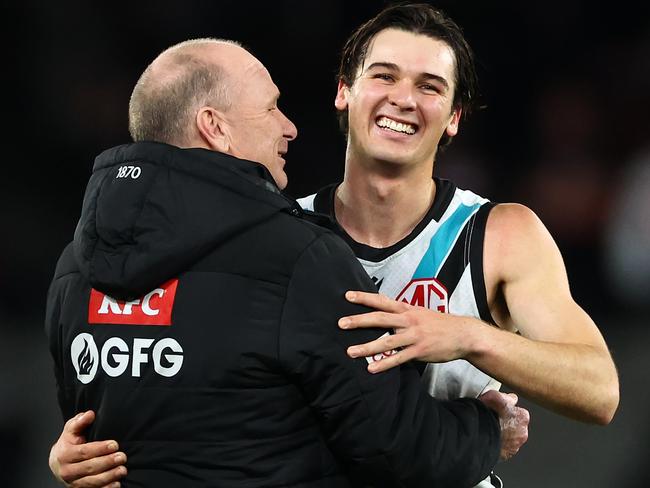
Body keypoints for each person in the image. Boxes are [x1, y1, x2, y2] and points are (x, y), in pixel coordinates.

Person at [45, 38, 529, 487]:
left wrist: (64, 459)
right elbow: (397, 448)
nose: (289, 126)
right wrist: (489, 427)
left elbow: (94, 438)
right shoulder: (297, 257)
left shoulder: (74, 269)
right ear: (214, 127)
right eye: (271, 107)